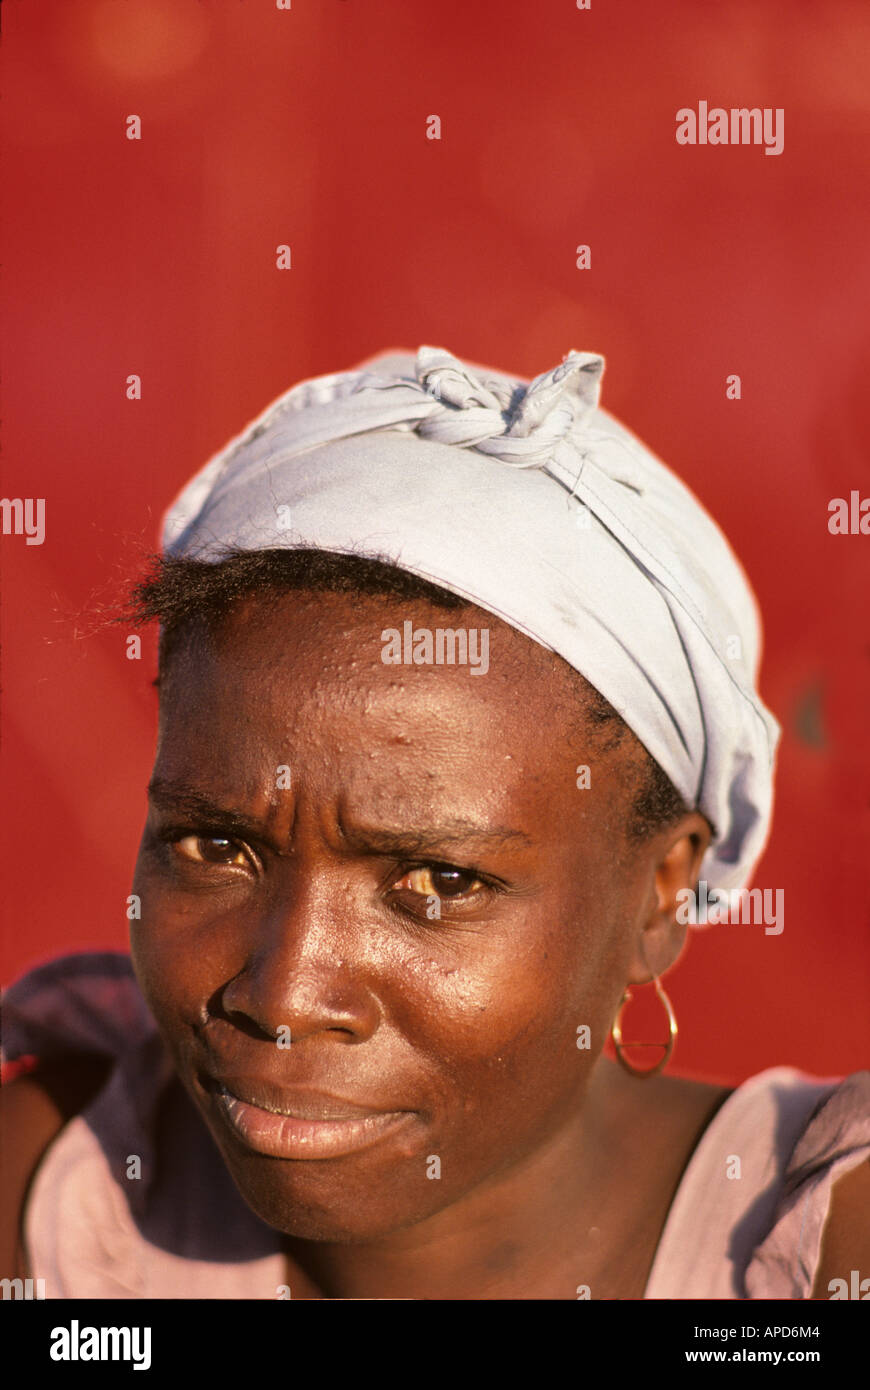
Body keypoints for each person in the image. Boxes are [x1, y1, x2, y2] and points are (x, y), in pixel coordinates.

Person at [2, 346, 868, 1300]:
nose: (285, 999)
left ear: (661, 895)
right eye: (216, 847)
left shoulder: (816, 1256)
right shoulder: (49, 1208)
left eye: (439, 882)